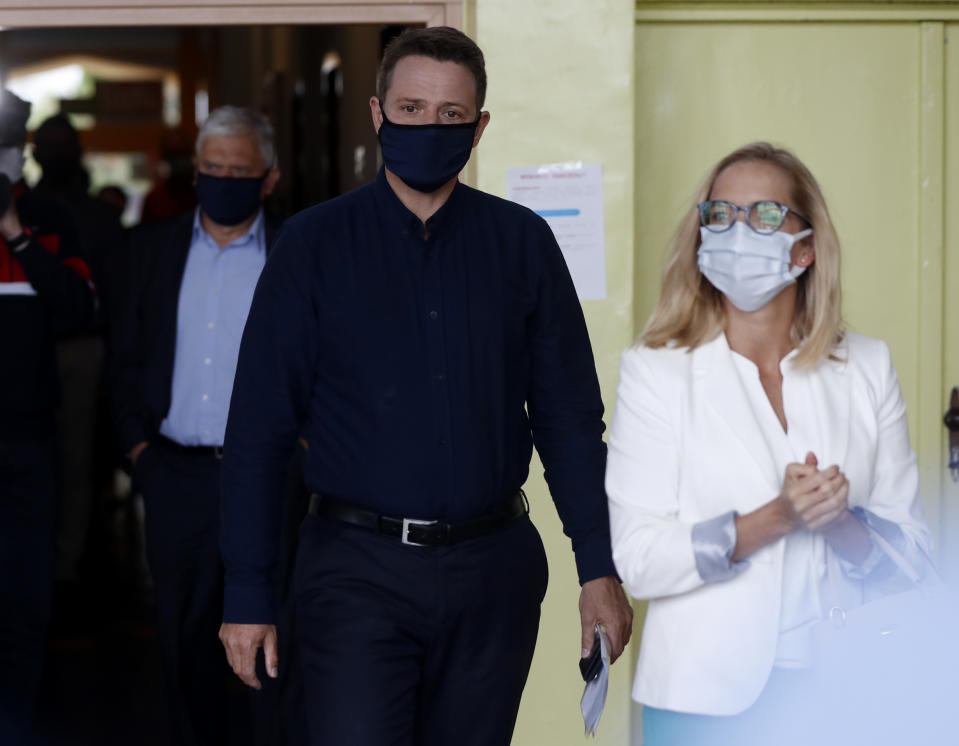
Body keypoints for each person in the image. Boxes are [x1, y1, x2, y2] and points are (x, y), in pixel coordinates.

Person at [218, 26, 633, 746]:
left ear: (479, 128)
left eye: (449, 116)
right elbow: (259, 430)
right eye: (411, 109)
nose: (428, 127)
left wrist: (597, 566)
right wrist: (247, 593)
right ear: (378, 115)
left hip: (492, 573)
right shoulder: (312, 247)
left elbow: (568, 419)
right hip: (353, 573)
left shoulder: (522, 244)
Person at [605, 142, 932, 745]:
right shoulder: (656, 372)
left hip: (848, 698)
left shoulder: (865, 366)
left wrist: (839, 523)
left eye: (766, 215)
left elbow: (912, 559)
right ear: (702, 239)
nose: (739, 232)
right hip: (703, 701)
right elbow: (640, 560)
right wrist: (776, 518)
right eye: (721, 215)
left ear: (806, 248)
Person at [110, 105, 282, 746]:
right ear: (196, 173)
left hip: (267, 477)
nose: (225, 180)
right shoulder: (150, 250)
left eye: (241, 171)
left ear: (269, 178)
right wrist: (140, 453)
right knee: (183, 636)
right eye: (213, 169)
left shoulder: (295, 251)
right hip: (174, 472)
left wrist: (302, 451)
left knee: (268, 633)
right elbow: (123, 359)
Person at [0, 89, 96, 742]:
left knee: (23, 602)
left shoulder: (49, 220)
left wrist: (15, 233)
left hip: (26, 442)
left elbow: (81, 308)